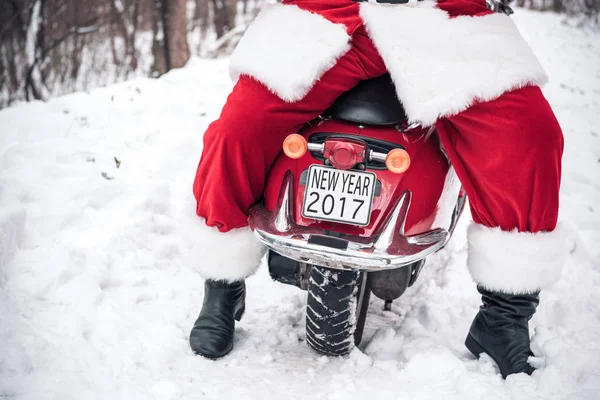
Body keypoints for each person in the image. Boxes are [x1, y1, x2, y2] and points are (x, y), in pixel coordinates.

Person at [180, 0, 565, 378]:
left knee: (532, 137)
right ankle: (222, 287)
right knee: (235, 130)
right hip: (331, 16)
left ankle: (503, 318)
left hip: (444, 21)